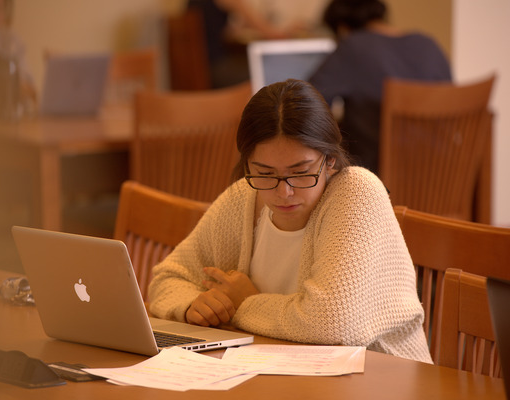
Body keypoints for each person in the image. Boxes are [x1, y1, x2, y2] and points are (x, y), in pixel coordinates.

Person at [148, 79, 432, 363]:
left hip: (381, 376)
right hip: (283, 373)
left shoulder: (357, 192)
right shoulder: (244, 198)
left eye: (301, 172)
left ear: (330, 159)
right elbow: (167, 278)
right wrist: (192, 304)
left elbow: (333, 325)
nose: (284, 192)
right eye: (265, 172)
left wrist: (243, 303)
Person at [308, 0, 452, 174]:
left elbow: (306, 101)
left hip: (377, 184)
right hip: (443, 175)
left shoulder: (353, 46)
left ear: (342, 28)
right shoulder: (428, 45)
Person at [187, 0, 305, 88]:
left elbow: (213, 29)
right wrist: (291, 29)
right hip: (217, 68)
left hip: (201, 68)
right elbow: (272, 34)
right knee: (275, 69)